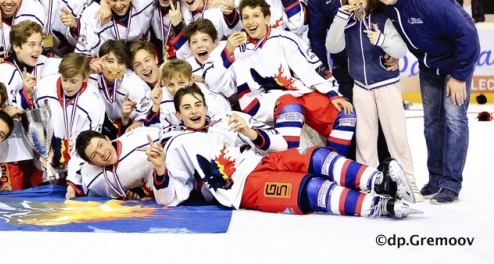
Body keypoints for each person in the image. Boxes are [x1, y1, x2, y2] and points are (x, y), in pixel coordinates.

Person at [148, 86, 420, 219]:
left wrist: (251, 133)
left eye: (198, 104)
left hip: (264, 160)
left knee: (317, 155)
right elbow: (167, 199)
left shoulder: (228, 119)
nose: (194, 111)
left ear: (206, 107)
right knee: (311, 189)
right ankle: (379, 207)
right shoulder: (178, 143)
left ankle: (381, 182)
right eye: (187, 107)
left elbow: (280, 145)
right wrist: (160, 169)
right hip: (246, 187)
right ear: (178, 113)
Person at [370, 0, 480, 204]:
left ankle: (451, 185)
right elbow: (401, 33)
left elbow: (468, 34)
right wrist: (395, 54)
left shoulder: (428, 1)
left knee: (453, 121)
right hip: (428, 69)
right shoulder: (386, 5)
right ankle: (435, 179)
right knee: (431, 123)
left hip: (454, 65)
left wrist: (460, 75)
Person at [205, 0, 356, 156]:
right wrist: (228, 50)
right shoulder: (233, 46)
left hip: (294, 93)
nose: (250, 22)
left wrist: (333, 93)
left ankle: (332, 165)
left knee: (345, 114)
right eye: (246, 17)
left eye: (256, 16)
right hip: (260, 102)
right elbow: (212, 82)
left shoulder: (285, 38)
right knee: (291, 107)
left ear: (267, 18)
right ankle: (291, 167)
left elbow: (312, 66)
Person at [325, 0, 422, 201]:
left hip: (386, 85)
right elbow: (332, 45)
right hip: (361, 87)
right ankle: (366, 181)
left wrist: (380, 40)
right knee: (365, 138)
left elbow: (400, 50)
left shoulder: (381, 19)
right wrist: (340, 16)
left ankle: (409, 182)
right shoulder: (345, 23)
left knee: (396, 135)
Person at [0, 20, 61, 189]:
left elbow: (72, 65)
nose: (37, 49)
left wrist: (90, 65)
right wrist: (24, 95)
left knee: (40, 200)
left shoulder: (46, 63)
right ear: (16, 46)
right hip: (9, 151)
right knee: (13, 201)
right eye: (31, 44)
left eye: (40, 44)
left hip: (37, 150)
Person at [308, 0, 371, 102]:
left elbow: (389, 11)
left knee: (381, 121)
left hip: (373, 62)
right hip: (343, 67)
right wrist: (324, 76)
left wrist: (391, 51)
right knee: (350, 120)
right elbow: (316, 37)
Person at [34, 53, 106, 172]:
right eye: (64, 79)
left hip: (75, 165)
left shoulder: (94, 104)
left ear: (85, 77)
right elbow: (35, 122)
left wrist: (73, 174)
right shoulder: (44, 87)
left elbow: (88, 144)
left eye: (73, 81)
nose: (67, 86)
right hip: (43, 160)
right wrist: (46, 149)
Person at [76, 0, 155, 57]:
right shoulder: (94, 16)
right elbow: (82, 54)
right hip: (115, 62)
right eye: (113, 0)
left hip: (145, 53)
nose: (118, 5)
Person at [142, 59, 230, 129]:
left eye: (181, 83)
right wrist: (156, 106)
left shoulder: (211, 99)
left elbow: (224, 125)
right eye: (171, 84)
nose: (176, 89)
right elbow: (151, 130)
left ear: (191, 80)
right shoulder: (159, 97)